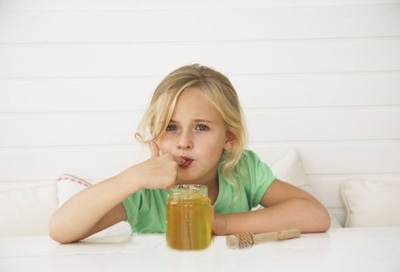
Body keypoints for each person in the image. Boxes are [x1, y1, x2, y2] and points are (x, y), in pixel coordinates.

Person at [49, 64, 330, 244]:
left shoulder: (241, 171)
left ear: (228, 139)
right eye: (171, 127)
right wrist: (131, 178)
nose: (183, 142)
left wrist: (221, 223)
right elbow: (60, 230)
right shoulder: (144, 190)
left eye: (201, 127)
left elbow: (316, 216)